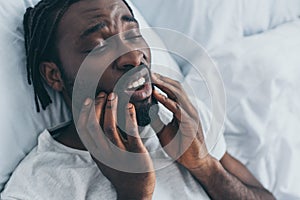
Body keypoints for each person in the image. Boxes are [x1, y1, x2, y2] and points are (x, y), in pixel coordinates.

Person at [1, 0, 275, 199]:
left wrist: (206, 167)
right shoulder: (37, 185)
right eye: (100, 45)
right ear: (54, 75)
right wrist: (134, 193)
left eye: (132, 34)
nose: (134, 56)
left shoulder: (180, 122)